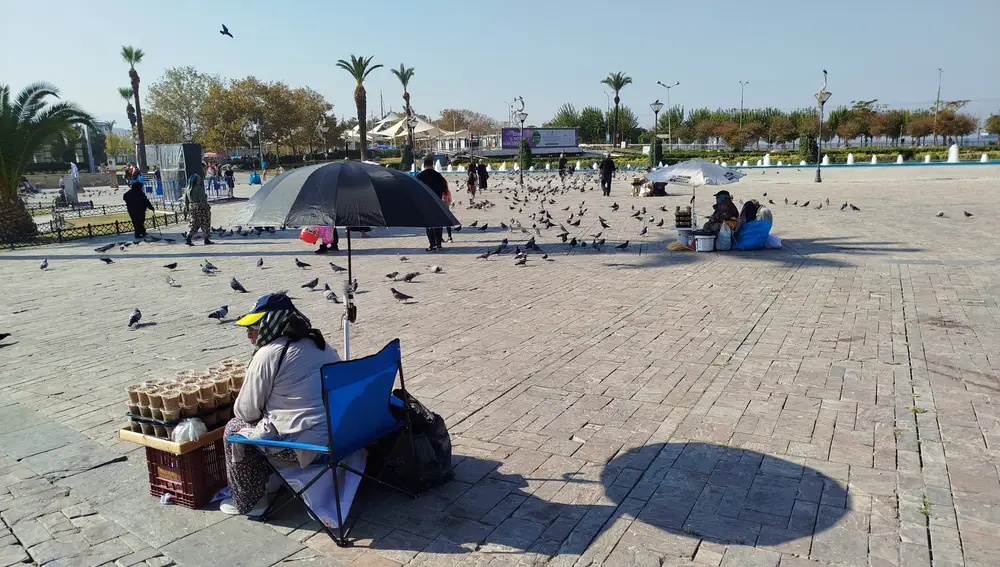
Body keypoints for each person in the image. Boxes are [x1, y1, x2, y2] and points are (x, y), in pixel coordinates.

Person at [222, 292, 341, 516]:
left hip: (308, 448)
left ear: (270, 325)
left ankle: (252, 503)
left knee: (233, 429)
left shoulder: (268, 354)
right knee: (267, 419)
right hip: (343, 433)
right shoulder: (321, 345)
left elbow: (245, 411)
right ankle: (272, 481)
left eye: (253, 328)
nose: (249, 335)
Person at [416, 155, 449, 251]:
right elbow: (445, 189)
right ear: (433, 165)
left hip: (425, 202)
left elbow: (416, 189)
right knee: (438, 224)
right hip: (437, 202)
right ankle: (439, 244)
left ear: (424, 165)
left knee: (429, 225)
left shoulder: (420, 176)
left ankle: (432, 244)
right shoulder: (438, 176)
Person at [184, 173, 214, 246]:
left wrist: (187, 210)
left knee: (194, 223)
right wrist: (207, 209)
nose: (200, 180)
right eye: (199, 179)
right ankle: (206, 239)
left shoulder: (187, 189)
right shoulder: (198, 188)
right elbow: (202, 200)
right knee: (205, 222)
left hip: (192, 207)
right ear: (196, 180)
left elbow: (186, 201)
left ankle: (189, 236)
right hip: (200, 207)